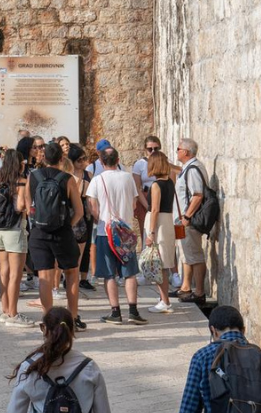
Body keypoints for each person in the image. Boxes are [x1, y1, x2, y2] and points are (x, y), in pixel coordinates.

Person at [26, 143, 86, 327]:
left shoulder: (33, 177)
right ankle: (73, 317)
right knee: (72, 273)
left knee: (44, 276)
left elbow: (29, 209)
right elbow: (79, 211)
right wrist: (66, 225)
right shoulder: (67, 179)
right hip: (62, 233)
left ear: (43, 158)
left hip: (39, 232)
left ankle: (48, 319)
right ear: (62, 159)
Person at [85, 148, 146, 326]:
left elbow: (92, 206)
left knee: (109, 274)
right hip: (125, 231)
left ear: (101, 162)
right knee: (130, 273)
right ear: (118, 159)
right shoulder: (127, 177)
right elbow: (134, 203)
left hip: (106, 231)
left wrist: (102, 220)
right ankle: (133, 310)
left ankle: (115, 312)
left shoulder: (97, 180)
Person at [0, 149, 32, 326]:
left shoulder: (0, 180)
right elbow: (22, 205)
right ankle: (14, 314)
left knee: (4, 271)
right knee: (16, 274)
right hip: (15, 229)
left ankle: (5, 310)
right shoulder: (22, 182)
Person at [175, 138, 209, 303]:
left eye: (178, 148)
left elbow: (197, 195)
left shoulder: (193, 169)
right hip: (183, 219)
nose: (177, 151)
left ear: (186, 152)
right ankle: (186, 287)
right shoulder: (187, 168)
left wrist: (187, 217)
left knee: (194, 254)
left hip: (189, 219)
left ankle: (199, 292)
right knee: (186, 253)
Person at [143, 151, 176, 314]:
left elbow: (155, 209)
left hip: (159, 224)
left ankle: (165, 300)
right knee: (163, 262)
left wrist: (151, 233)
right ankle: (163, 298)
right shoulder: (170, 182)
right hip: (167, 221)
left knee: (158, 263)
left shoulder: (156, 185)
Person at [67, 144, 97, 292]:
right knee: (72, 245)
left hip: (86, 212)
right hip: (73, 211)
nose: (83, 162)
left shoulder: (88, 175)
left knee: (86, 248)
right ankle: (70, 276)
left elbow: (90, 196)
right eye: (80, 160)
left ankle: (84, 278)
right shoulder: (69, 175)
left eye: (85, 159)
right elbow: (74, 194)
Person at [131, 135, 161, 242]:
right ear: (145, 150)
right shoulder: (140, 164)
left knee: (161, 231)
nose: (153, 151)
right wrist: (146, 205)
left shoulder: (165, 162)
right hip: (145, 196)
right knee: (146, 231)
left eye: (156, 149)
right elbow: (136, 187)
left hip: (162, 197)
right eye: (150, 149)